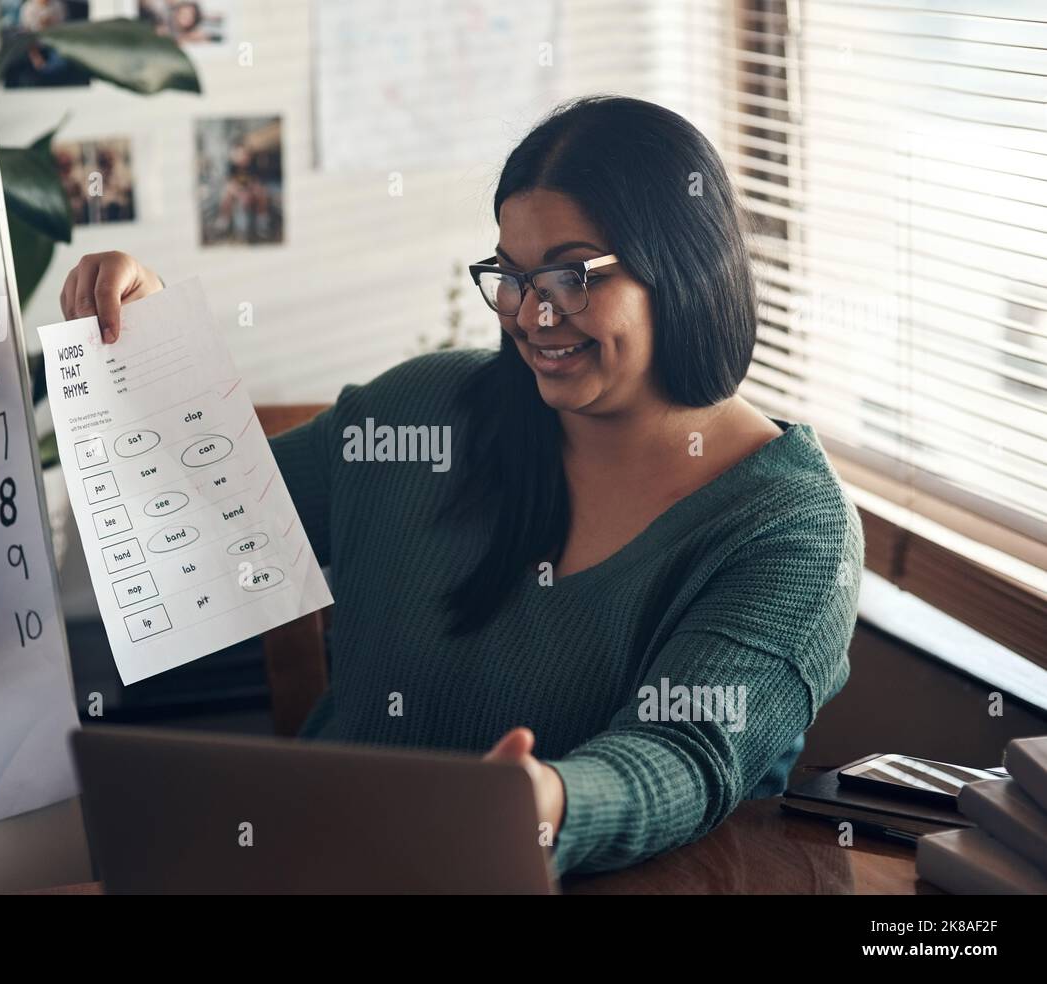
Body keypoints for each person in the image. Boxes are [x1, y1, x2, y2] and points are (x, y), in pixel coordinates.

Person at [57, 96, 863, 876]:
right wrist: (144, 338)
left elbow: (686, 754)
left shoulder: (791, 526)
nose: (532, 316)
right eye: (511, 276)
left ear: (683, 268)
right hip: (324, 868)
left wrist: (547, 803)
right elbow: (209, 509)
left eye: (571, 276)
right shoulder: (423, 412)